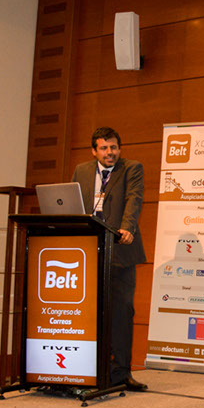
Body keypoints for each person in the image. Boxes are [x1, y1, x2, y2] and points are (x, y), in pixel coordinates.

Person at [72, 126, 147, 391]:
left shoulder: (131, 168)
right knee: (89, 312)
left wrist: (127, 227)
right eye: (104, 148)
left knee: (121, 311)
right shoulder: (81, 171)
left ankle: (121, 372)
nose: (109, 152)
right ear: (94, 151)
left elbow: (133, 199)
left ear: (119, 148)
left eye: (113, 147)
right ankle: (88, 369)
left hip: (120, 250)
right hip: (88, 251)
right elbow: (73, 204)